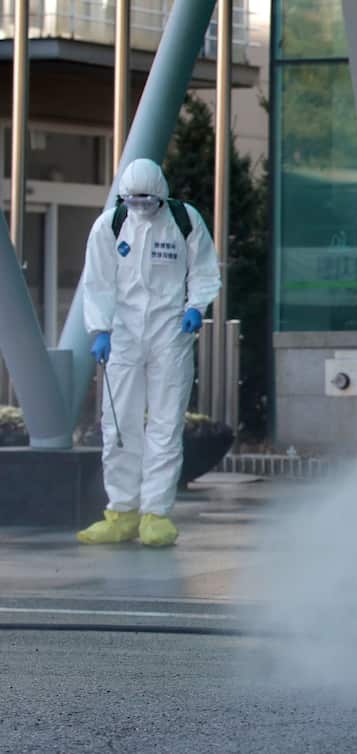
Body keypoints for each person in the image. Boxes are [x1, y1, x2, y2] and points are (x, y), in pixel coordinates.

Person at [77, 159, 220, 548]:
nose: (141, 207)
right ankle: (121, 511)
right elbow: (97, 282)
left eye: (148, 200)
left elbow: (205, 268)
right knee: (118, 424)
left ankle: (155, 513)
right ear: (125, 197)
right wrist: (100, 329)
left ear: (161, 194)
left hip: (170, 333)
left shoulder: (183, 220)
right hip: (122, 336)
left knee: (164, 424)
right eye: (134, 200)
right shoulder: (109, 225)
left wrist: (196, 306)